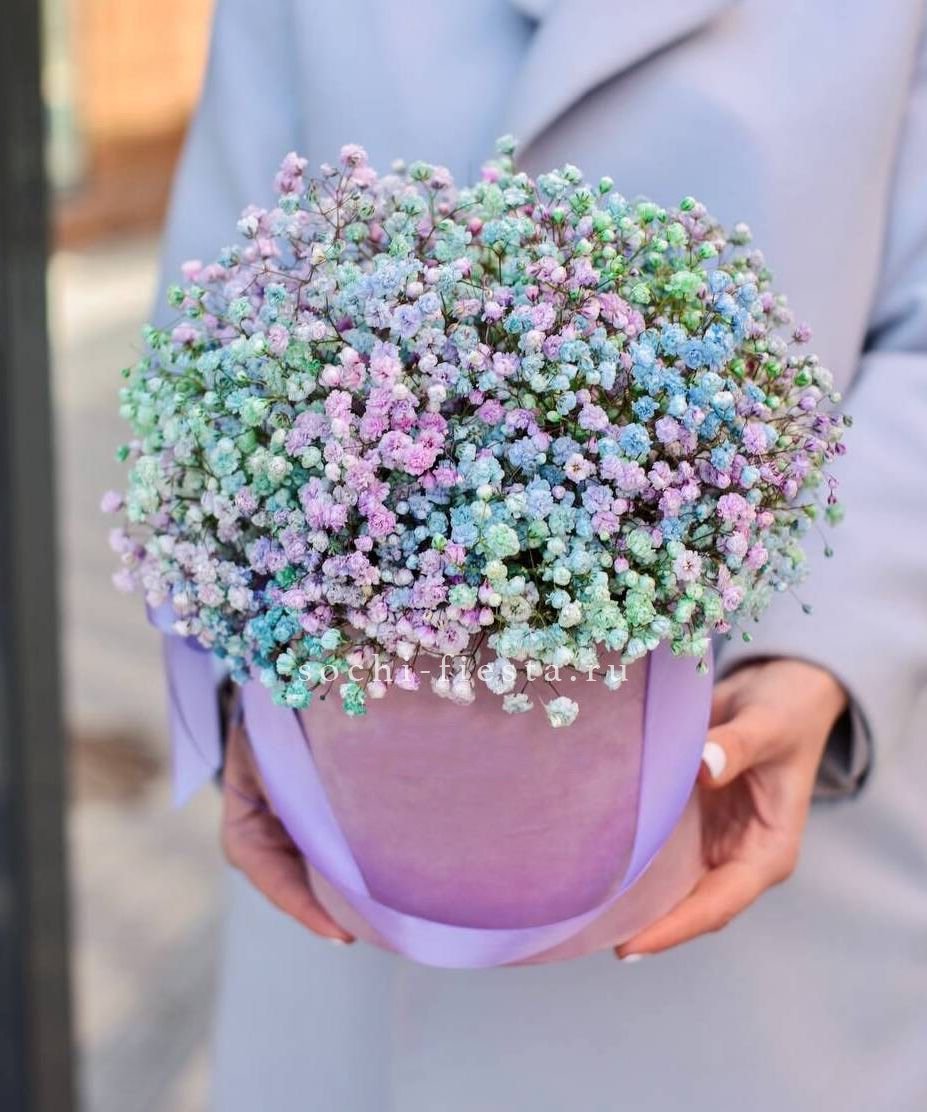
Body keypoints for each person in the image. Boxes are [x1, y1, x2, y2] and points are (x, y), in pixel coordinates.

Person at [156, 1, 927, 1108]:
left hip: (759, 852)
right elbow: (205, 321)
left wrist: (831, 648)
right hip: (357, 846)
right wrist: (239, 670)